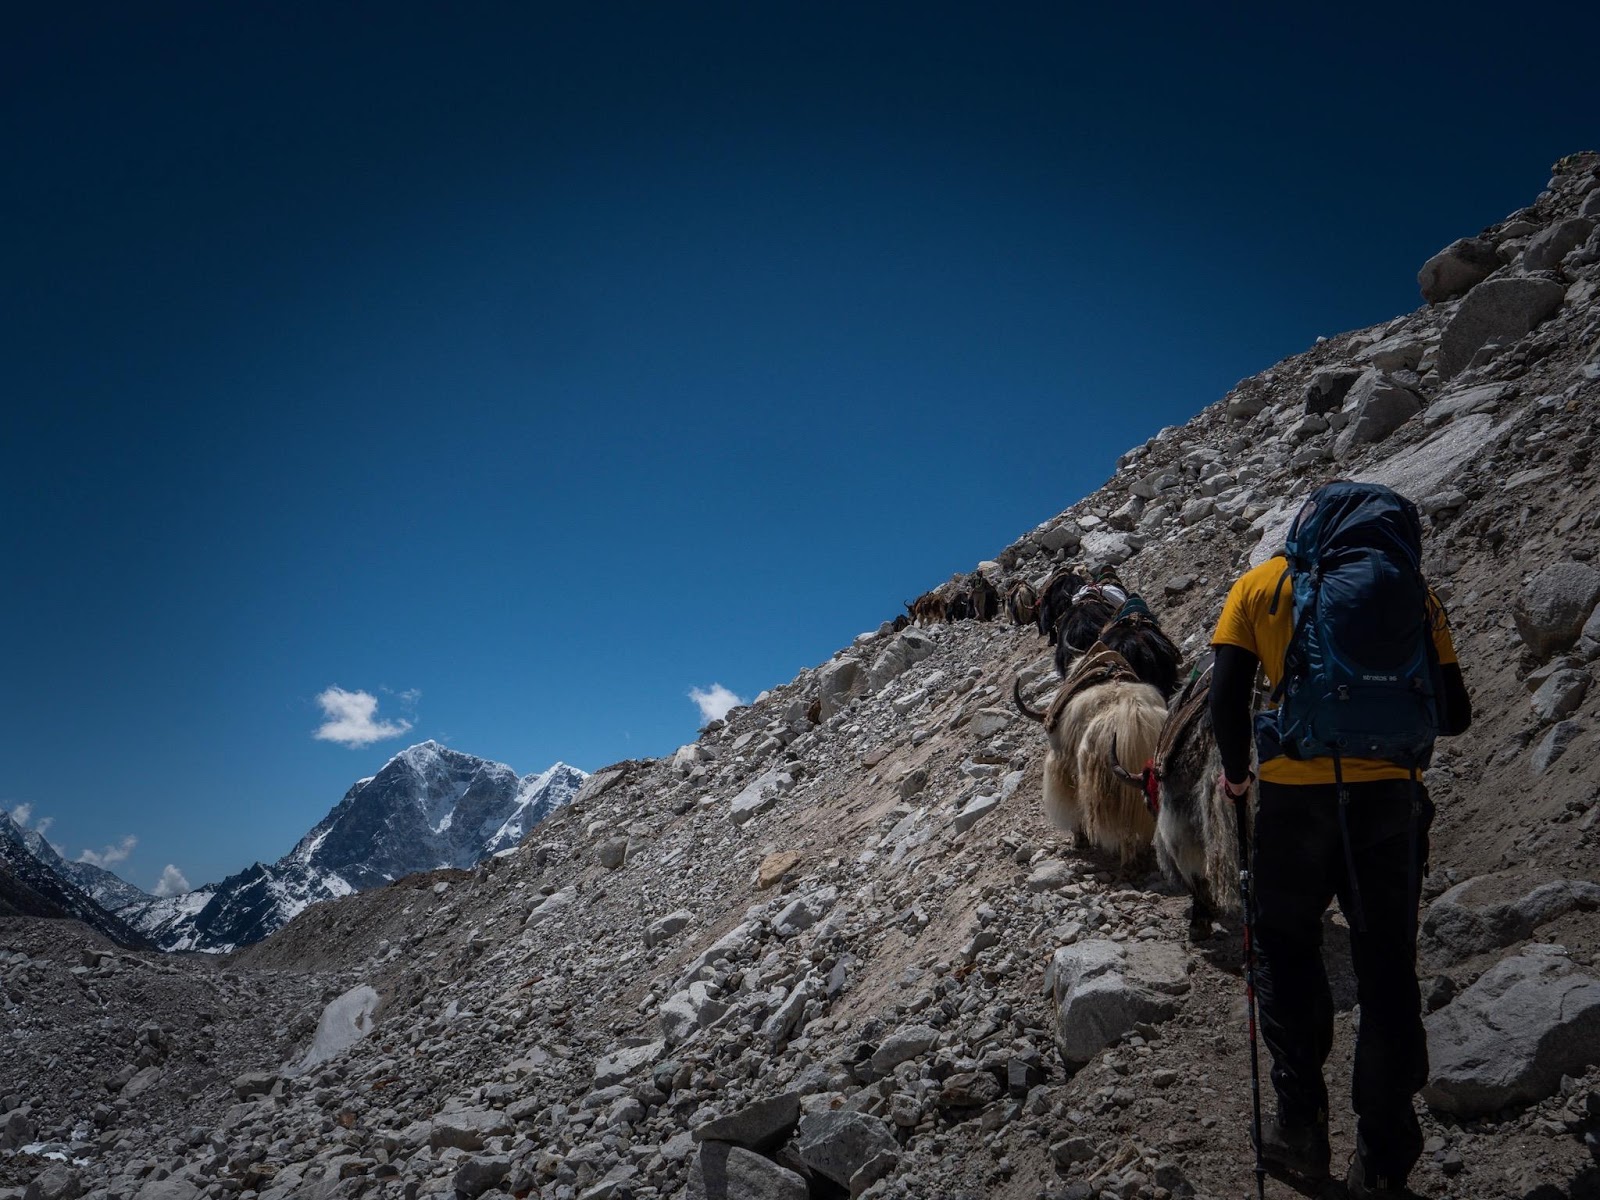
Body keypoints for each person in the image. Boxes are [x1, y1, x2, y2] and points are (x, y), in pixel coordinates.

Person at [1209, 482, 1472, 1198]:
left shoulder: (1261, 585)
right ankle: (1383, 1161)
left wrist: (1237, 777)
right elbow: (1456, 714)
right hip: (1389, 804)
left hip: (1294, 806)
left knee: (1287, 955)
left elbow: (1224, 697)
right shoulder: (1416, 597)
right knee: (1386, 972)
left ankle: (1300, 1129)